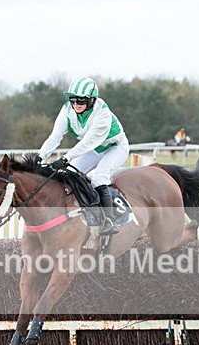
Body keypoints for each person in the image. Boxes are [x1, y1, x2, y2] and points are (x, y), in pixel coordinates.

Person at [38, 77, 130, 235]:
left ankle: (109, 220)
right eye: (73, 99)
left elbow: (89, 142)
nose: (76, 104)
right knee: (69, 175)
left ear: (92, 100)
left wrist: (66, 158)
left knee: (99, 178)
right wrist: (40, 158)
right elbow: (54, 137)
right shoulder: (67, 110)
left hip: (115, 147)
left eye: (81, 100)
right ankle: (83, 213)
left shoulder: (102, 113)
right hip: (94, 149)